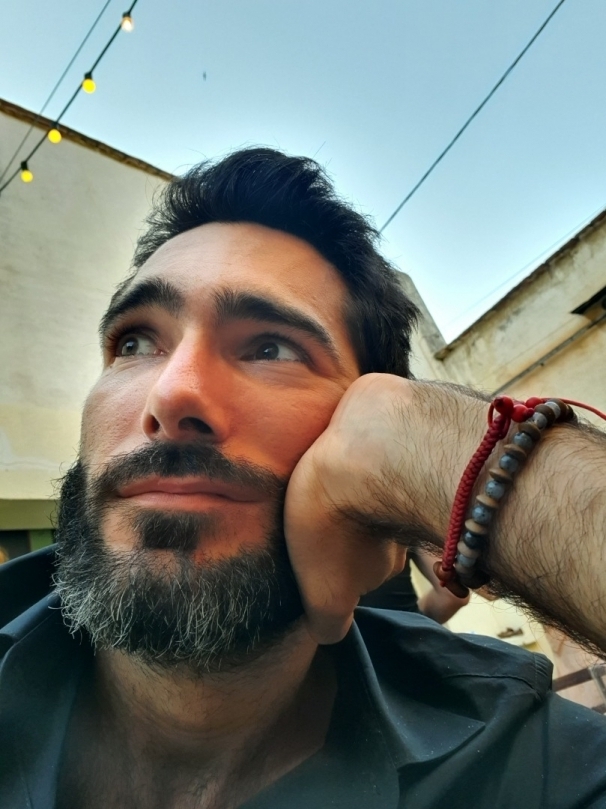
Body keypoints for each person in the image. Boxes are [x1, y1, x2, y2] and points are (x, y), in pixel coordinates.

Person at [1, 148, 605, 809]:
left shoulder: (527, 762)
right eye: (135, 342)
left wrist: (454, 447)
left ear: (365, 413)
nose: (170, 393)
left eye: (271, 348)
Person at [359, 550, 470, 623]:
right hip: (409, 635)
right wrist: (415, 621)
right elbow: (452, 593)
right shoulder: (406, 520)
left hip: (361, 641)